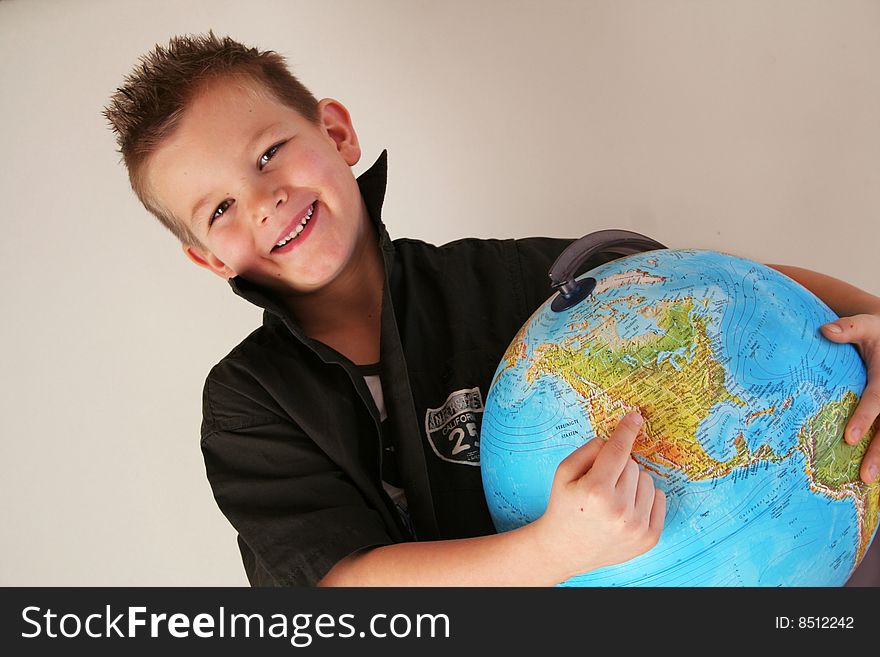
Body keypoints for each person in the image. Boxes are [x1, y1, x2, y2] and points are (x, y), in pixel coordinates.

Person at [104, 33, 880, 587]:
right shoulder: (250, 403)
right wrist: (552, 552)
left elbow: (716, 288)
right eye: (219, 209)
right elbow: (343, 590)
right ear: (208, 258)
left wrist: (872, 318)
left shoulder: (501, 276)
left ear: (336, 133)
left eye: (269, 152)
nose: (264, 199)